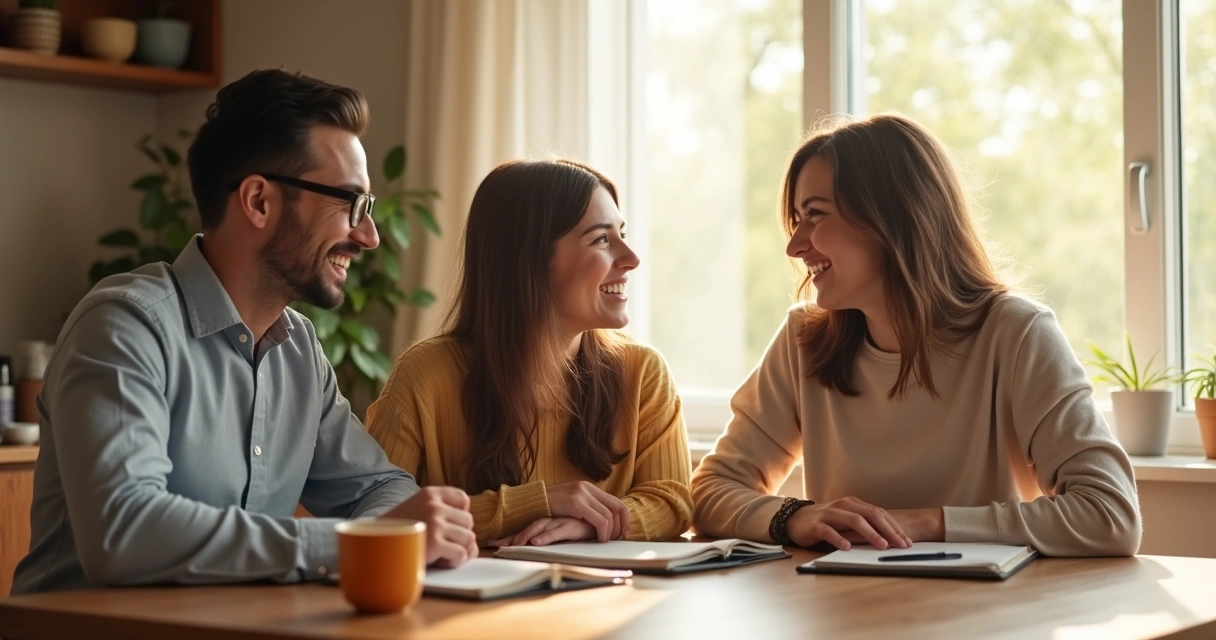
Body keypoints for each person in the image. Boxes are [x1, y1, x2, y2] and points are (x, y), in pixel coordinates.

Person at [12, 69, 478, 595]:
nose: (368, 235)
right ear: (258, 201)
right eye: (350, 203)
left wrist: (387, 531)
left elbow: (383, 487)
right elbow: (124, 531)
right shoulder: (124, 326)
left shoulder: (299, 350)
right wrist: (350, 545)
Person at [691, 114, 1142, 557]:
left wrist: (928, 523)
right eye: (796, 219)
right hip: (839, 614)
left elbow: (1111, 514)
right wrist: (795, 516)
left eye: (815, 215)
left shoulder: (1017, 333)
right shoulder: (802, 339)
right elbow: (710, 492)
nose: (795, 245)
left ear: (891, 218)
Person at [366, 159, 693, 547]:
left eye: (621, 233)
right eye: (602, 239)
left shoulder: (643, 372)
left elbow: (672, 502)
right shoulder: (425, 375)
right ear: (529, 260)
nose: (631, 258)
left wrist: (588, 525)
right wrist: (539, 503)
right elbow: (381, 518)